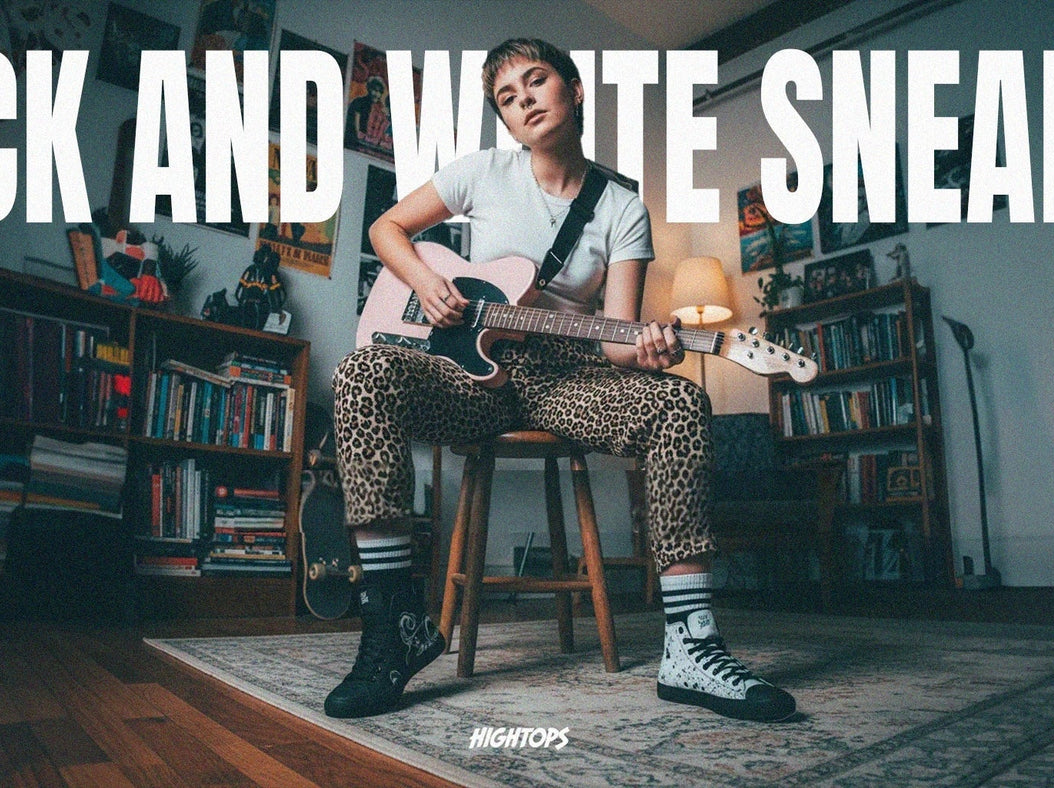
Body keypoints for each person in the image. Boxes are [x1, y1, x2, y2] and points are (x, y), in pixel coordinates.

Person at [325, 38, 800, 724]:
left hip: (569, 374)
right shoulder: (480, 172)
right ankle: (392, 624)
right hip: (471, 376)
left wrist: (653, 349)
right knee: (364, 372)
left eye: (536, 81)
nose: (524, 101)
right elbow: (386, 228)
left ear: (573, 89)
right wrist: (429, 284)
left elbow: (618, 337)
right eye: (507, 98)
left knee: (679, 402)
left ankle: (691, 647)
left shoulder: (622, 208)